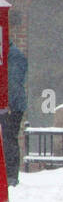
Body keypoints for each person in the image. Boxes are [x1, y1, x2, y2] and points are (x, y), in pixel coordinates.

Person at [3, 22, 26, 187]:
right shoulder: (11, 55)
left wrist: (8, 103)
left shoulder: (13, 56)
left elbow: (13, 82)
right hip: (9, 104)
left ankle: (11, 176)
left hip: (12, 106)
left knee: (8, 139)